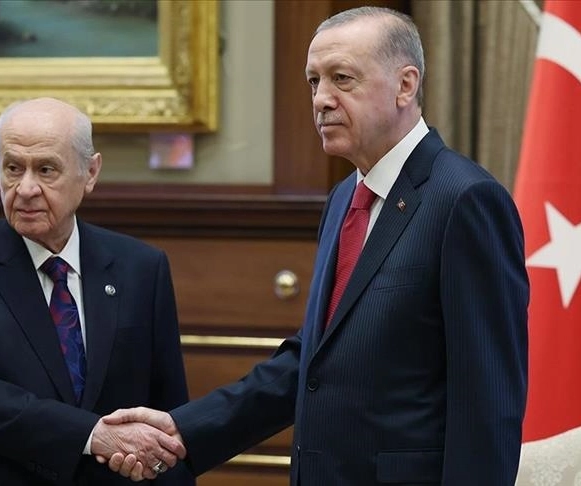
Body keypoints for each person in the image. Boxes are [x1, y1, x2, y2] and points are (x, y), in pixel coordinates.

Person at [101, 6, 530, 485]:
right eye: (313, 82)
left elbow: (486, 406)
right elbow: (314, 361)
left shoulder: (465, 200)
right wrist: (183, 430)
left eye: (342, 79)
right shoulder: (345, 197)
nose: (322, 99)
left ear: (405, 86)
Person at [0, 97, 195, 486]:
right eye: (13, 168)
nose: (26, 188)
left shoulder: (141, 268)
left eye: (46, 170)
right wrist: (92, 435)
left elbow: (168, 413)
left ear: (90, 173)